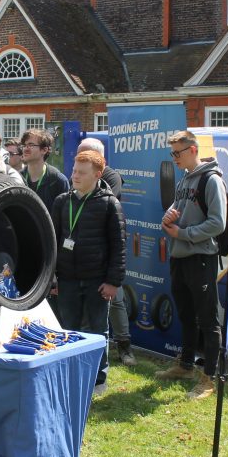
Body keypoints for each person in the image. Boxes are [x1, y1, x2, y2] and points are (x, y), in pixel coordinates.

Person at [154, 130, 227, 400]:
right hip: (179, 256)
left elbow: (218, 223)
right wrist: (168, 218)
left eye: (178, 153)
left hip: (201, 257)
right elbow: (177, 209)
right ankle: (185, 365)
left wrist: (183, 234)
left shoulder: (211, 180)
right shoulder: (184, 178)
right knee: (185, 314)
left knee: (208, 319)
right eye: (172, 153)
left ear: (193, 150)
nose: (174, 158)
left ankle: (209, 378)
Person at [51, 150, 125, 396]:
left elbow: (118, 246)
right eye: (74, 171)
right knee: (68, 328)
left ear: (97, 174)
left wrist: (113, 281)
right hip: (67, 279)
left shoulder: (109, 204)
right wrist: (52, 276)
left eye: (82, 173)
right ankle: (71, 374)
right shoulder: (62, 201)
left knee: (97, 329)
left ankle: (98, 379)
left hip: (97, 280)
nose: (75, 176)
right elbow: (53, 241)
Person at [76, 138, 133, 365]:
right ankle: (86, 353)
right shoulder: (76, 177)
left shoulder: (111, 177)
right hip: (84, 254)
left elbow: (99, 205)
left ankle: (124, 346)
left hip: (106, 253)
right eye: (79, 154)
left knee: (115, 300)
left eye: (85, 154)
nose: (80, 158)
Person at [20, 129, 69, 208]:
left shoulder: (57, 180)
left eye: (31, 145)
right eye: (24, 145)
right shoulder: (17, 178)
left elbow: (65, 212)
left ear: (44, 150)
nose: (25, 149)